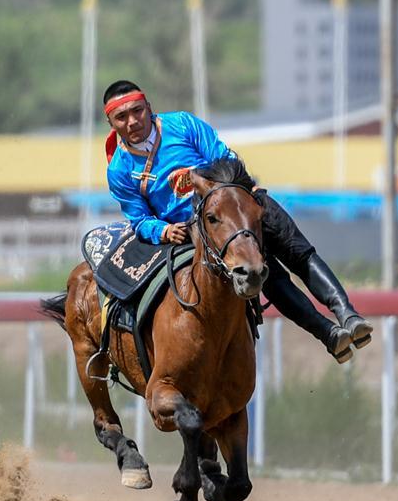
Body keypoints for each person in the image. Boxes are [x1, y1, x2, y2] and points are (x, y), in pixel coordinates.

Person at [102, 80, 372, 363]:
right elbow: (139, 219)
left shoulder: (181, 124)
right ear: (111, 123)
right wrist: (164, 230)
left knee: (299, 253)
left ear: (148, 107)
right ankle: (329, 334)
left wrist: (217, 182)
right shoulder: (119, 169)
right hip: (203, 230)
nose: (132, 121)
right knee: (267, 276)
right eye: (122, 117)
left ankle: (347, 314)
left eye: (137, 111)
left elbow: (223, 157)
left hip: (240, 201)